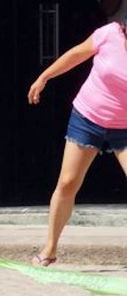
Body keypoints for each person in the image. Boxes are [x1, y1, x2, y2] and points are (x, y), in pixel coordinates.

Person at [29, 17, 127, 266]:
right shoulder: (109, 34)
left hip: (124, 127)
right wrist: (44, 77)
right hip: (88, 116)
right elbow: (75, 54)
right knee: (68, 182)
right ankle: (49, 249)